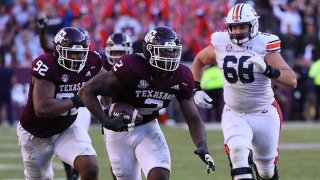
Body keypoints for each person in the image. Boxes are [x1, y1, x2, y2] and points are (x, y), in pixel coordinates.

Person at [79, 26, 215, 180]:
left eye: (173, 51)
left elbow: (192, 117)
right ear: (149, 51)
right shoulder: (132, 67)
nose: (170, 56)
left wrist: (201, 143)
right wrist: (105, 120)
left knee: (160, 174)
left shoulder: (182, 76)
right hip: (119, 129)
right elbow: (86, 91)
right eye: (164, 51)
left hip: (148, 126)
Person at [192, 3, 297, 180]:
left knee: (265, 170)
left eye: (242, 26)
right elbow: (200, 60)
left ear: (253, 25)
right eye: (233, 27)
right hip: (235, 113)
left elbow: (291, 80)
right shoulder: (221, 41)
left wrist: (268, 70)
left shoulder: (264, 43)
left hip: (264, 113)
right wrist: (195, 88)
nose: (237, 31)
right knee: (238, 154)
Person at [17, 27, 102, 180]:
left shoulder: (92, 61)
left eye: (80, 53)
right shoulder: (47, 65)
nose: (76, 58)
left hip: (67, 127)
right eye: (71, 53)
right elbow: (42, 108)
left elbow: (109, 80)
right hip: (36, 133)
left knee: (90, 167)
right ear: (58, 51)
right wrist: (76, 101)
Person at [0, 57, 16, 126]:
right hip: (7, 90)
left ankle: (1, 122)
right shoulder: (9, 70)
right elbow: (13, 81)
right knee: (9, 106)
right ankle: (10, 121)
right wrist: (10, 87)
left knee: (1, 107)